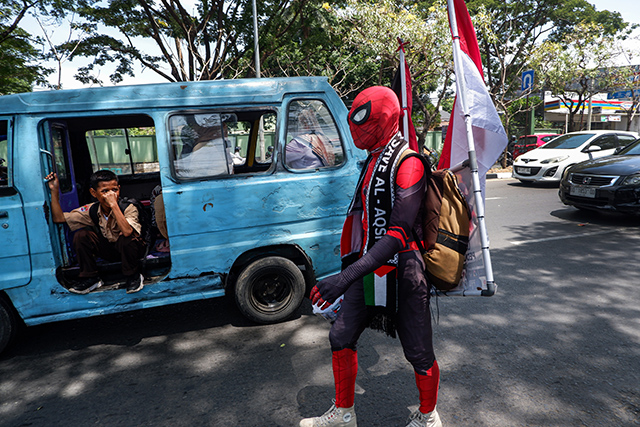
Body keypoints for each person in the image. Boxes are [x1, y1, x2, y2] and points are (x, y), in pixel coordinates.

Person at [300, 87, 442, 427]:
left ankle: (428, 416)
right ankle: (344, 413)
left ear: (386, 118)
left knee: (417, 349)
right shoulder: (373, 160)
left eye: (363, 117)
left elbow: (396, 235)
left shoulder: (408, 163)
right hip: (369, 265)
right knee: (341, 336)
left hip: (403, 268)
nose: (354, 125)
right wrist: (348, 269)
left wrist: (343, 278)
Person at [46, 170, 147, 294]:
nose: (110, 195)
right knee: (81, 235)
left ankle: (133, 275)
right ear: (93, 193)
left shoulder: (128, 207)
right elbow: (59, 218)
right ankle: (91, 277)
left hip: (132, 251)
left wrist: (114, 205)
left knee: (126, 238)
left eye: (114, 190)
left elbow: (127, 232)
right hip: (112, 250)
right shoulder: (92, 209)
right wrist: (54, 190)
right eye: (104, 191)